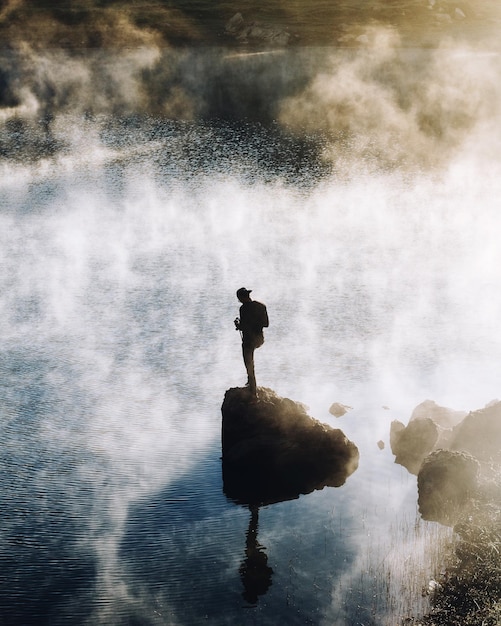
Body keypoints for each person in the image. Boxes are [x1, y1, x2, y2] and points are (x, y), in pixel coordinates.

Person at [234, 287, 269, 397]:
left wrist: (238, 325)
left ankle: (252, 389)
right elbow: (266, 324)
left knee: (248, 362)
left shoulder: (243, 309)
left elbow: (244, 326)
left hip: (249, 340)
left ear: (241, 298)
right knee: (250, 361)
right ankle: (251, 383)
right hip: (259, 339)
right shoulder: (261, 306)